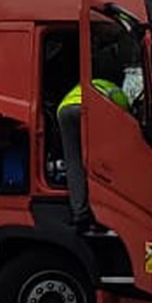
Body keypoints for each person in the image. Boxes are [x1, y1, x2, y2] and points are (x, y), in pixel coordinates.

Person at [57, 77, 131, 231]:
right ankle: (101, 211)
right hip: (85, 110)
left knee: (74, 162)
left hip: (64, 109)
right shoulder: (120, 97)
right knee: (100, 161)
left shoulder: (96, 84)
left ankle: (79, 212)